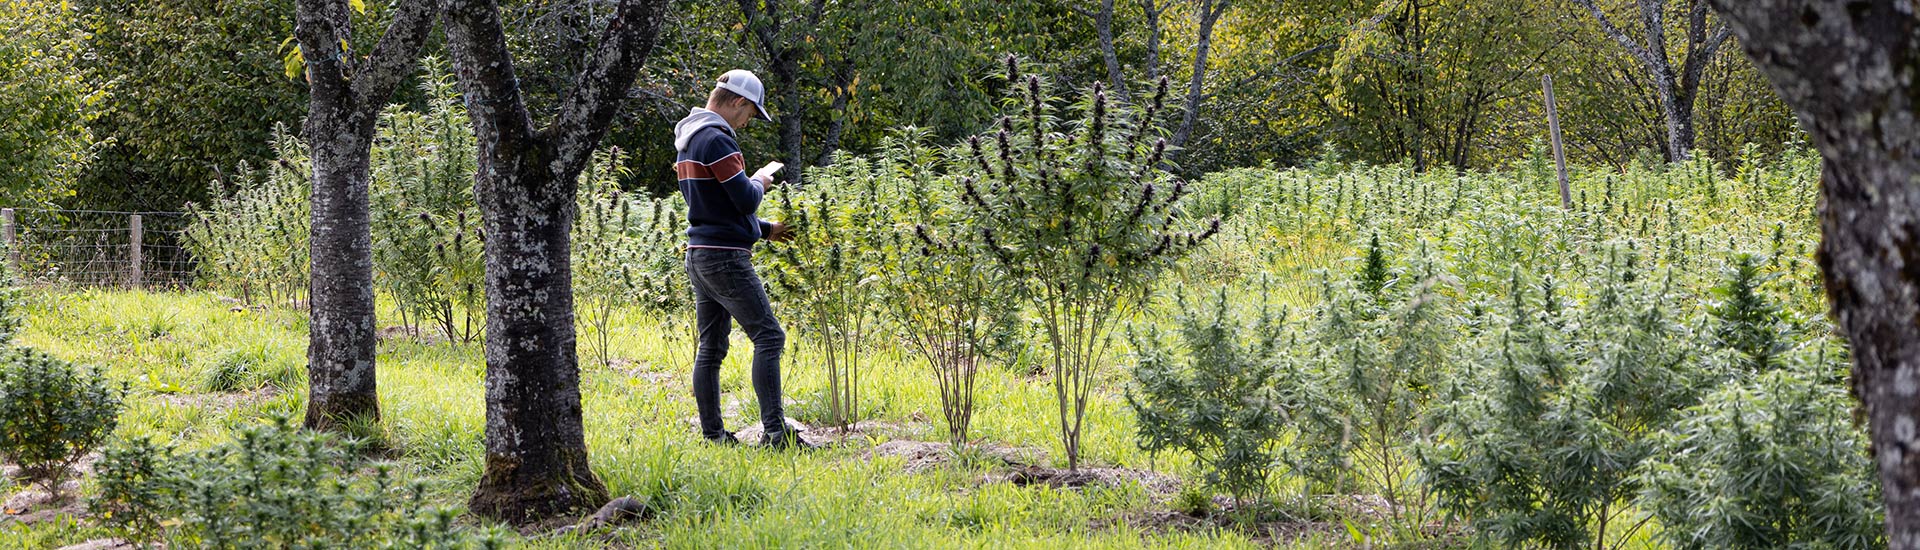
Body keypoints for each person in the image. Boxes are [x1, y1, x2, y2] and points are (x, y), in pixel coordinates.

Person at [671, 69, 811, 449]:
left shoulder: (689, 139)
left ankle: (714, 436)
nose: (748, 122)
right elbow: (745, 199)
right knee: (769, 336)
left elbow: (716, 208)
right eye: (751, 114)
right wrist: (763, 180)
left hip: (700, 254)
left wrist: (765, 230)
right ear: (739, 102)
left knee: (711, 349)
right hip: (726, 260)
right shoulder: (717, 140)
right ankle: (776, 434)